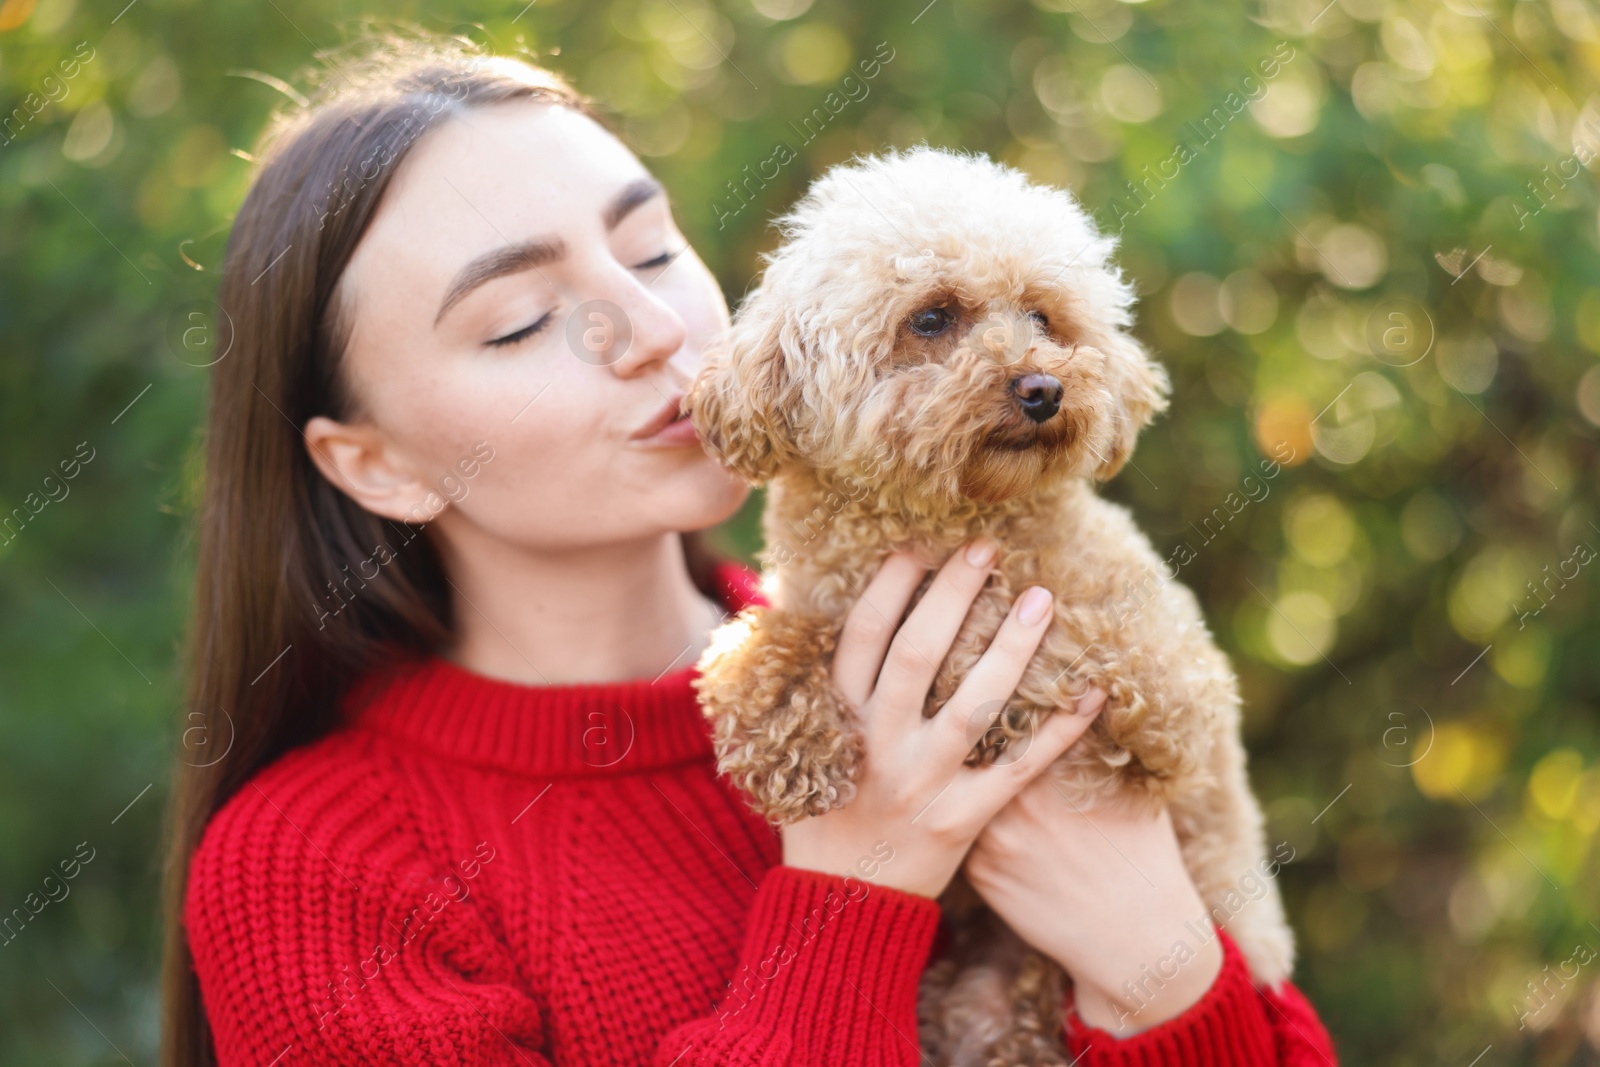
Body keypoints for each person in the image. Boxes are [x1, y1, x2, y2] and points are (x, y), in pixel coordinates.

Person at [162, 36, 1338, 1067]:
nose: (656, 330)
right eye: (521, 319)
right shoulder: (311, 870)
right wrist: (849, 896)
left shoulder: (981, 666)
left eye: (652, 247)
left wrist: (1161, 971)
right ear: (375, 463)